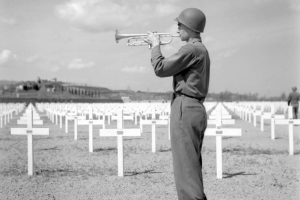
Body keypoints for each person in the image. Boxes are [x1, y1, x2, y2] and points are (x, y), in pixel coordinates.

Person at [144, 8, 210, 200]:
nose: (177, 28)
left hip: (185, 107)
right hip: (194, 107)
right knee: (191, 167)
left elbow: (161, 68)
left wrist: (155, 46)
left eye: (180, 24)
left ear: (189, 26)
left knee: (186, 171)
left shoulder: (191, 49)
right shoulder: (200, 49)